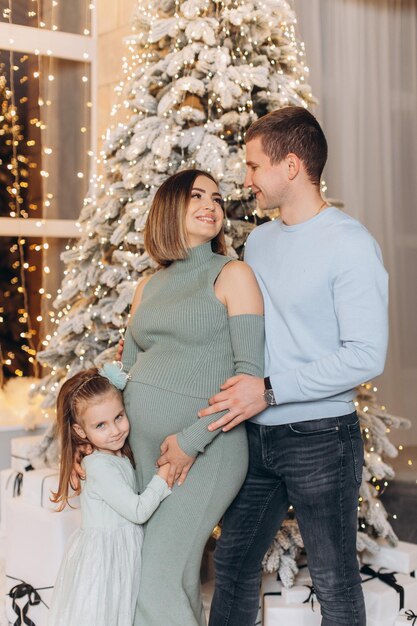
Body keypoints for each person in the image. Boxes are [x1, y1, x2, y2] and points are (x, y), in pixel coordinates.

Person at [200, 107, 389, 626]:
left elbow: (365, 354)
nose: (246, 179)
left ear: (290, 165)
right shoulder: (258, 243)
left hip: (322, 439)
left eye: (253, 166)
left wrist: (272, 390)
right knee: (234, 563)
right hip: (256, 437)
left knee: (333, 580)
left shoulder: (350, 244)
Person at [121, 168, 264, 626]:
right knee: (173, 575)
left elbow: (249, 379)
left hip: (207, 448)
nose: (212, 205)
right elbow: (126, 369)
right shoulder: (148, 285)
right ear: (169, 208)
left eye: (218, 199)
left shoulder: (233, 274)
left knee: (155, 577)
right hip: (145, 451)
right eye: (198, 195)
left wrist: (189, 441)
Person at [49, 363, 171, 626]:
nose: (115, 430)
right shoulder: (98, 465)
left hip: (119, 552)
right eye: (100, 425)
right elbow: (138, 511)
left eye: (118, 417)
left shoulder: (113, 453)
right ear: (81, 431)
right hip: (105, 561)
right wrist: (163, 478)